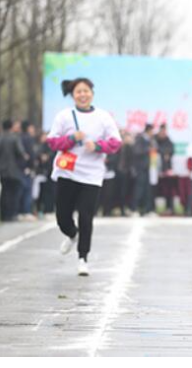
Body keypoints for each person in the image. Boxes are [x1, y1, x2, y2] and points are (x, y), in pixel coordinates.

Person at [47, 78, 122, 277]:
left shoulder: (103, 117)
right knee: (62, 216)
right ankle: (72, 234)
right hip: (67, 172)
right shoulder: (64, 116)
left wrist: (97, 146)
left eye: (86, 91)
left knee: (86, 216)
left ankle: (83, 258)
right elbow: (52, 142)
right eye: (79, 92)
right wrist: (72, 139)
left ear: (92, 93)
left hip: (91, 174)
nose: (83, 95)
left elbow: (116, 143)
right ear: (73, 95)